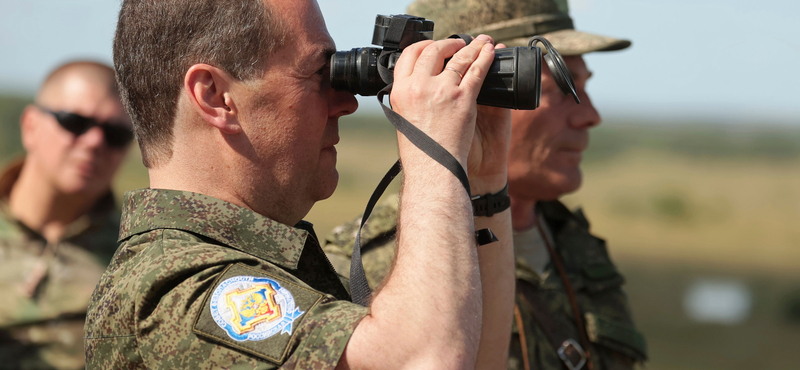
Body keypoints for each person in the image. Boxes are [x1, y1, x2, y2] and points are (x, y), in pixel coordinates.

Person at [84, 0, 517, 369]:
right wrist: (433, 149)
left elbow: (471, 359)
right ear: (216, 96)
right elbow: (422, 361)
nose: (346, 102)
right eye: (318, 74)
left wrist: (482, 182)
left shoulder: (260, 264)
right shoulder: (176, 288)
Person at [323, 0, 648, 369]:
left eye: (583, 86)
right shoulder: (373, 270)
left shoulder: (576, 247)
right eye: (559, 87)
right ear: (482, 87)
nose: (590, 115)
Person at [0, 61, 133, 370]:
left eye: (115, 134)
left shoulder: (135, 257)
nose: (94, 142)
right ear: (30, 125)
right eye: (74, 122)